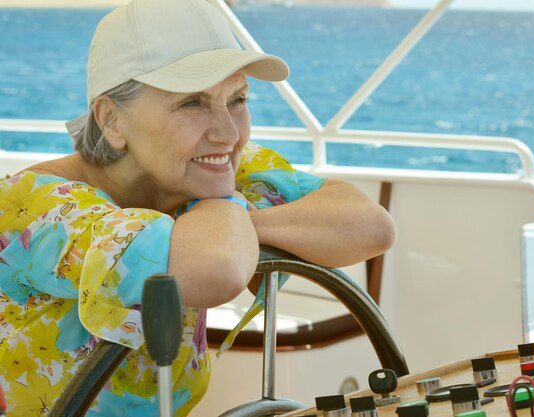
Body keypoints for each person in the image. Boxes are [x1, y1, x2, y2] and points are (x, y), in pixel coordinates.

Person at [0, 0, 396, 415]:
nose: (227, 133)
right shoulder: (34, 207)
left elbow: (371, 226)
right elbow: (216, 266)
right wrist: (224, 207)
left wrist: (247, 221)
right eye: (192, 103)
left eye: (238, 99)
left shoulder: (200, 168)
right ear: (112, 120)